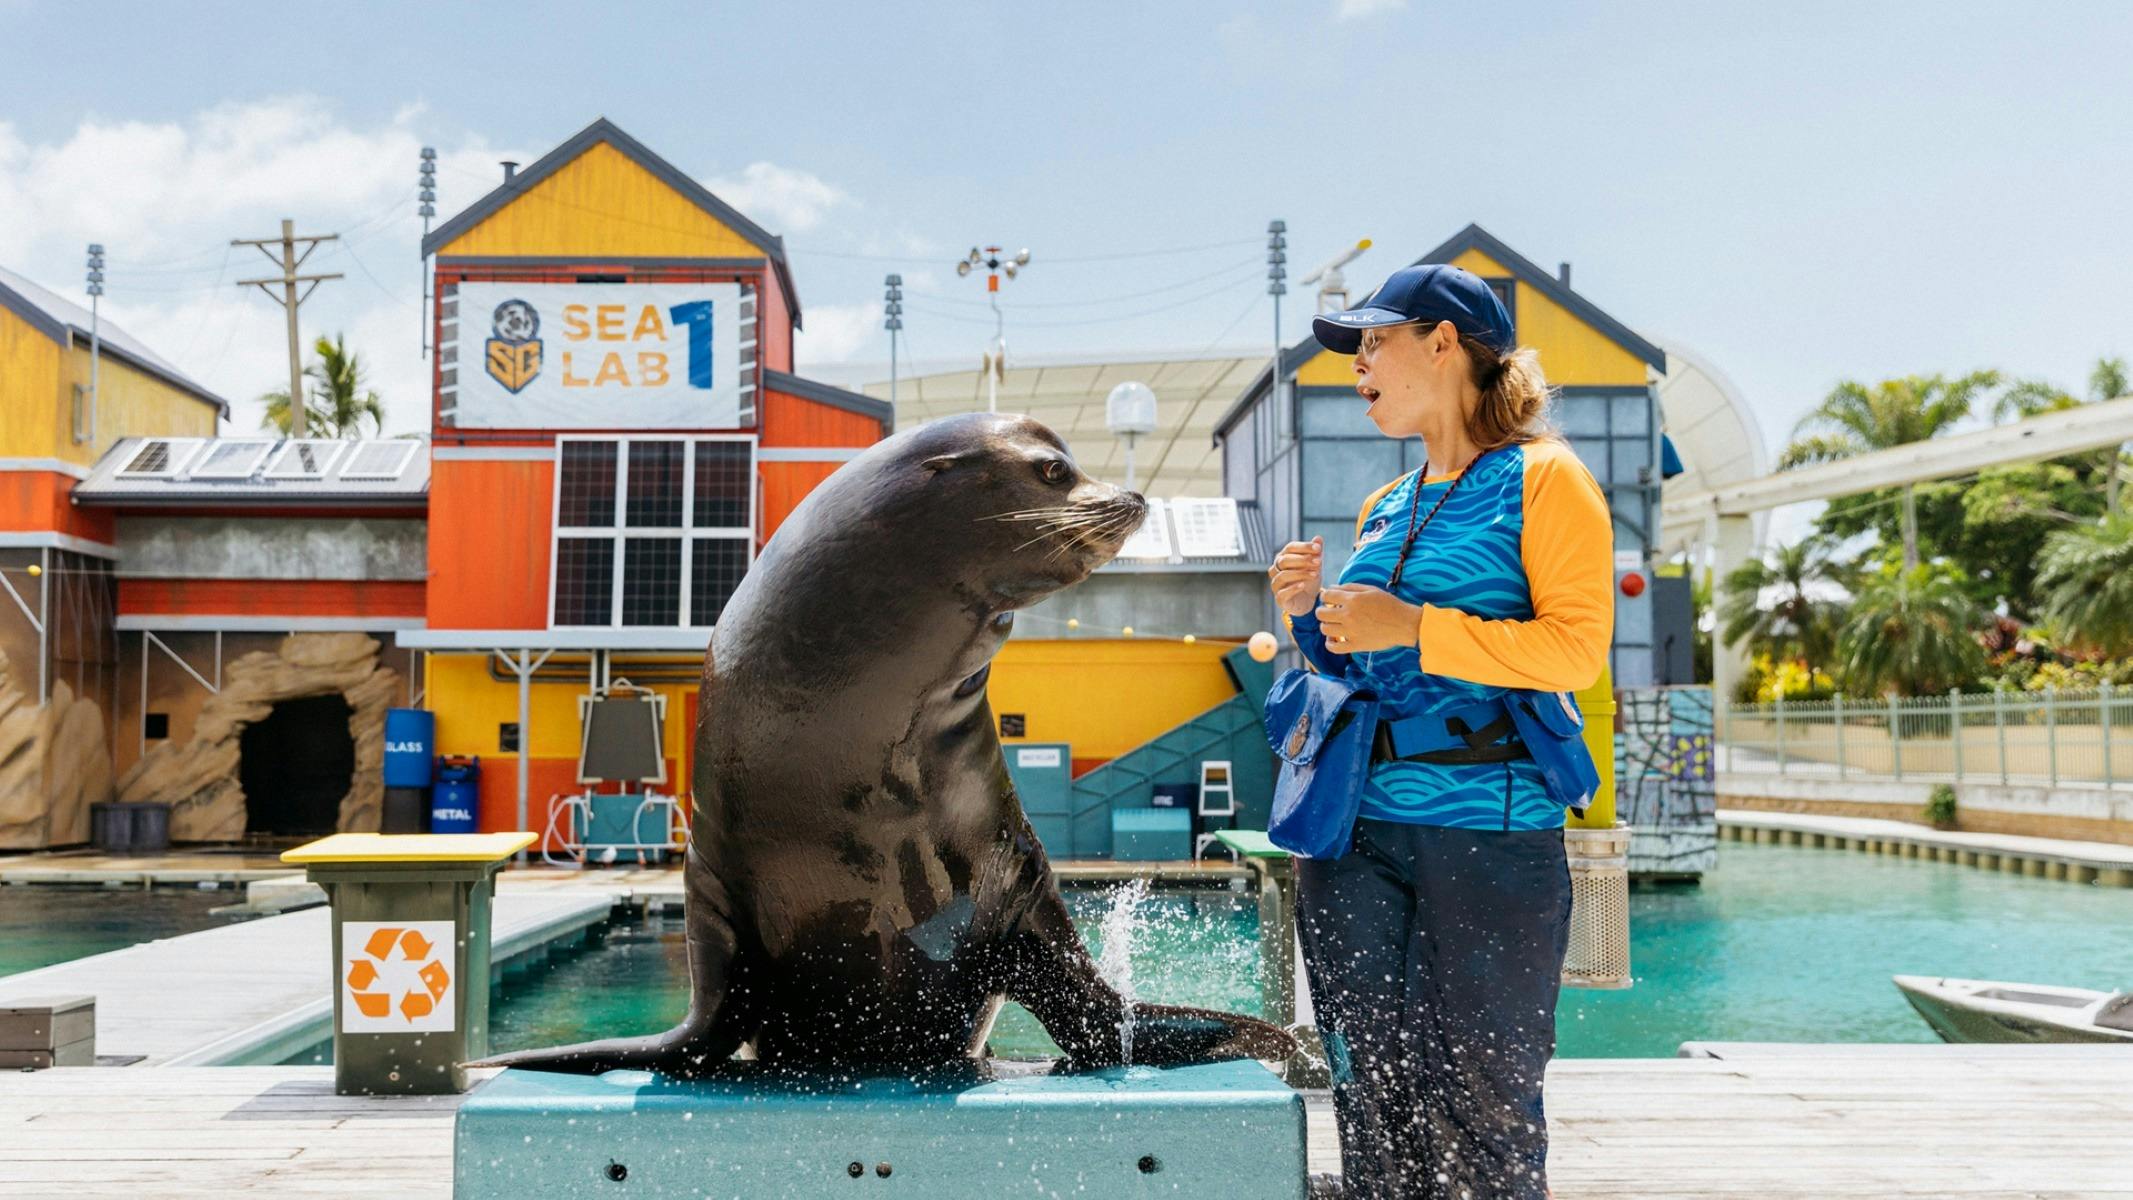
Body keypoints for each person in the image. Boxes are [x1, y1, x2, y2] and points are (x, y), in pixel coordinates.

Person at [1266, 263, 1613, 1198]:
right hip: (1352, 835)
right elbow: (1358, 666)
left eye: (1374, 341)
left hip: (1490, 830)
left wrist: (1415, 625)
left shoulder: (1545, 477)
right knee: (1367, 1086)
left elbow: (1574, 652)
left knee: (1482, 1091)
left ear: (1445, 343)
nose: (1357, 364)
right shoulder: (1390, 501)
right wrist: (1309, 616)